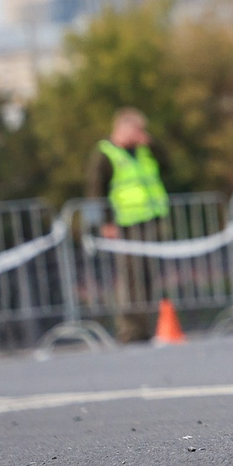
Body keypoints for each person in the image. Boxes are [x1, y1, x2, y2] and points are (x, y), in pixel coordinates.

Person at [89, 107, 170, 339]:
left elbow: (167, 167)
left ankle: (146, 327)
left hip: (150, 219)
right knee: (130, 278)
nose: (140, 135)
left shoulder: (144, 151)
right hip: (125, 223)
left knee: (148, 276)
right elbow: (96, 189)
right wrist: (106, 222)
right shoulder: (106, 152)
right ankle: (130, 330)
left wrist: (152, 144)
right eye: (137, 130)